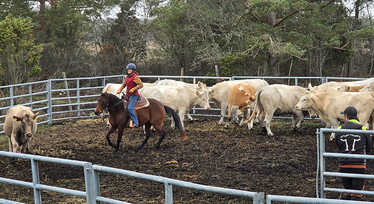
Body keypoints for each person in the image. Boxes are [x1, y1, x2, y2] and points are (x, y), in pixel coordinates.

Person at [335, 106, 372, 201]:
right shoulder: (364, 129)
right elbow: (369, 148)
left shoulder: (339, 130)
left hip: (344, 164)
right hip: (359, 165)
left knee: (347, 191)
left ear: (346, 117)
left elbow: (339, 146)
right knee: (357, 192)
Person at [116, 63, 143, 128]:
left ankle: (136, 122)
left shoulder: (135, 77)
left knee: (130, 108)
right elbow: (124, 84)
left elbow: (141, 85)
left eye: (129, 69)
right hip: (128, 95)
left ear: (133, 70)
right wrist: (119, 89)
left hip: (134, 95)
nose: (128, 70)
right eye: (128, 69)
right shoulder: (127, 77)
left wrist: (134, 89)